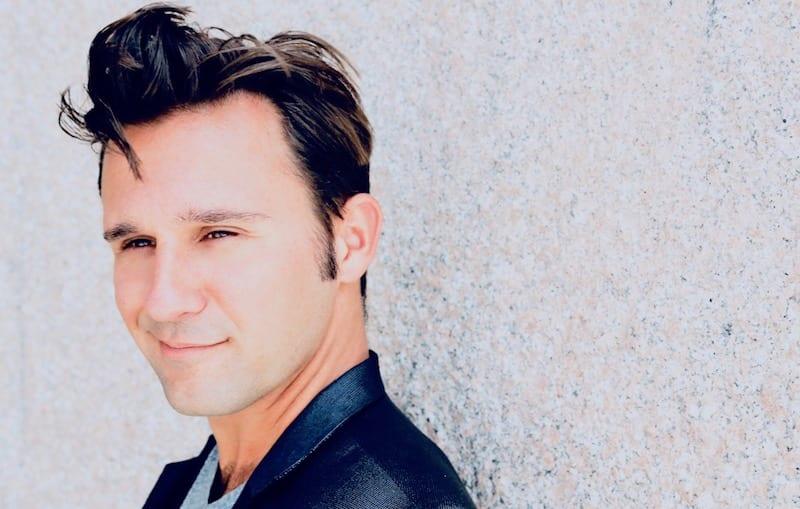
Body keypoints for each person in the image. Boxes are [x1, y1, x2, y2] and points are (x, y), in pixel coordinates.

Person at [58, 2, 476, 508]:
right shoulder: (205, 483)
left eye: (218, 234)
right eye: (137, 243)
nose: (163, 301)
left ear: (350, 241)